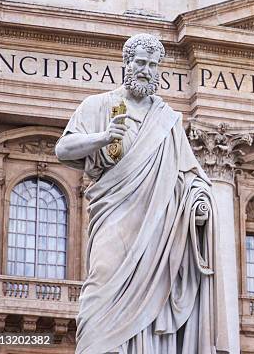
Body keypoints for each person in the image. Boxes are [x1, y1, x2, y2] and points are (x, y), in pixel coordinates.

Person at [55, 33, 225, 354]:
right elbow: (63, 149)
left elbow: (191, 176)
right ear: (127, 64)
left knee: (151, 306)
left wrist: (198, 204)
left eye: (152, 64)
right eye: (140, 62)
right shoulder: (100, 105)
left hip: (157, 229)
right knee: (100, 291)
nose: (146, 69)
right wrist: (103, 137)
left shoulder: (167, 120)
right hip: (114, 219)